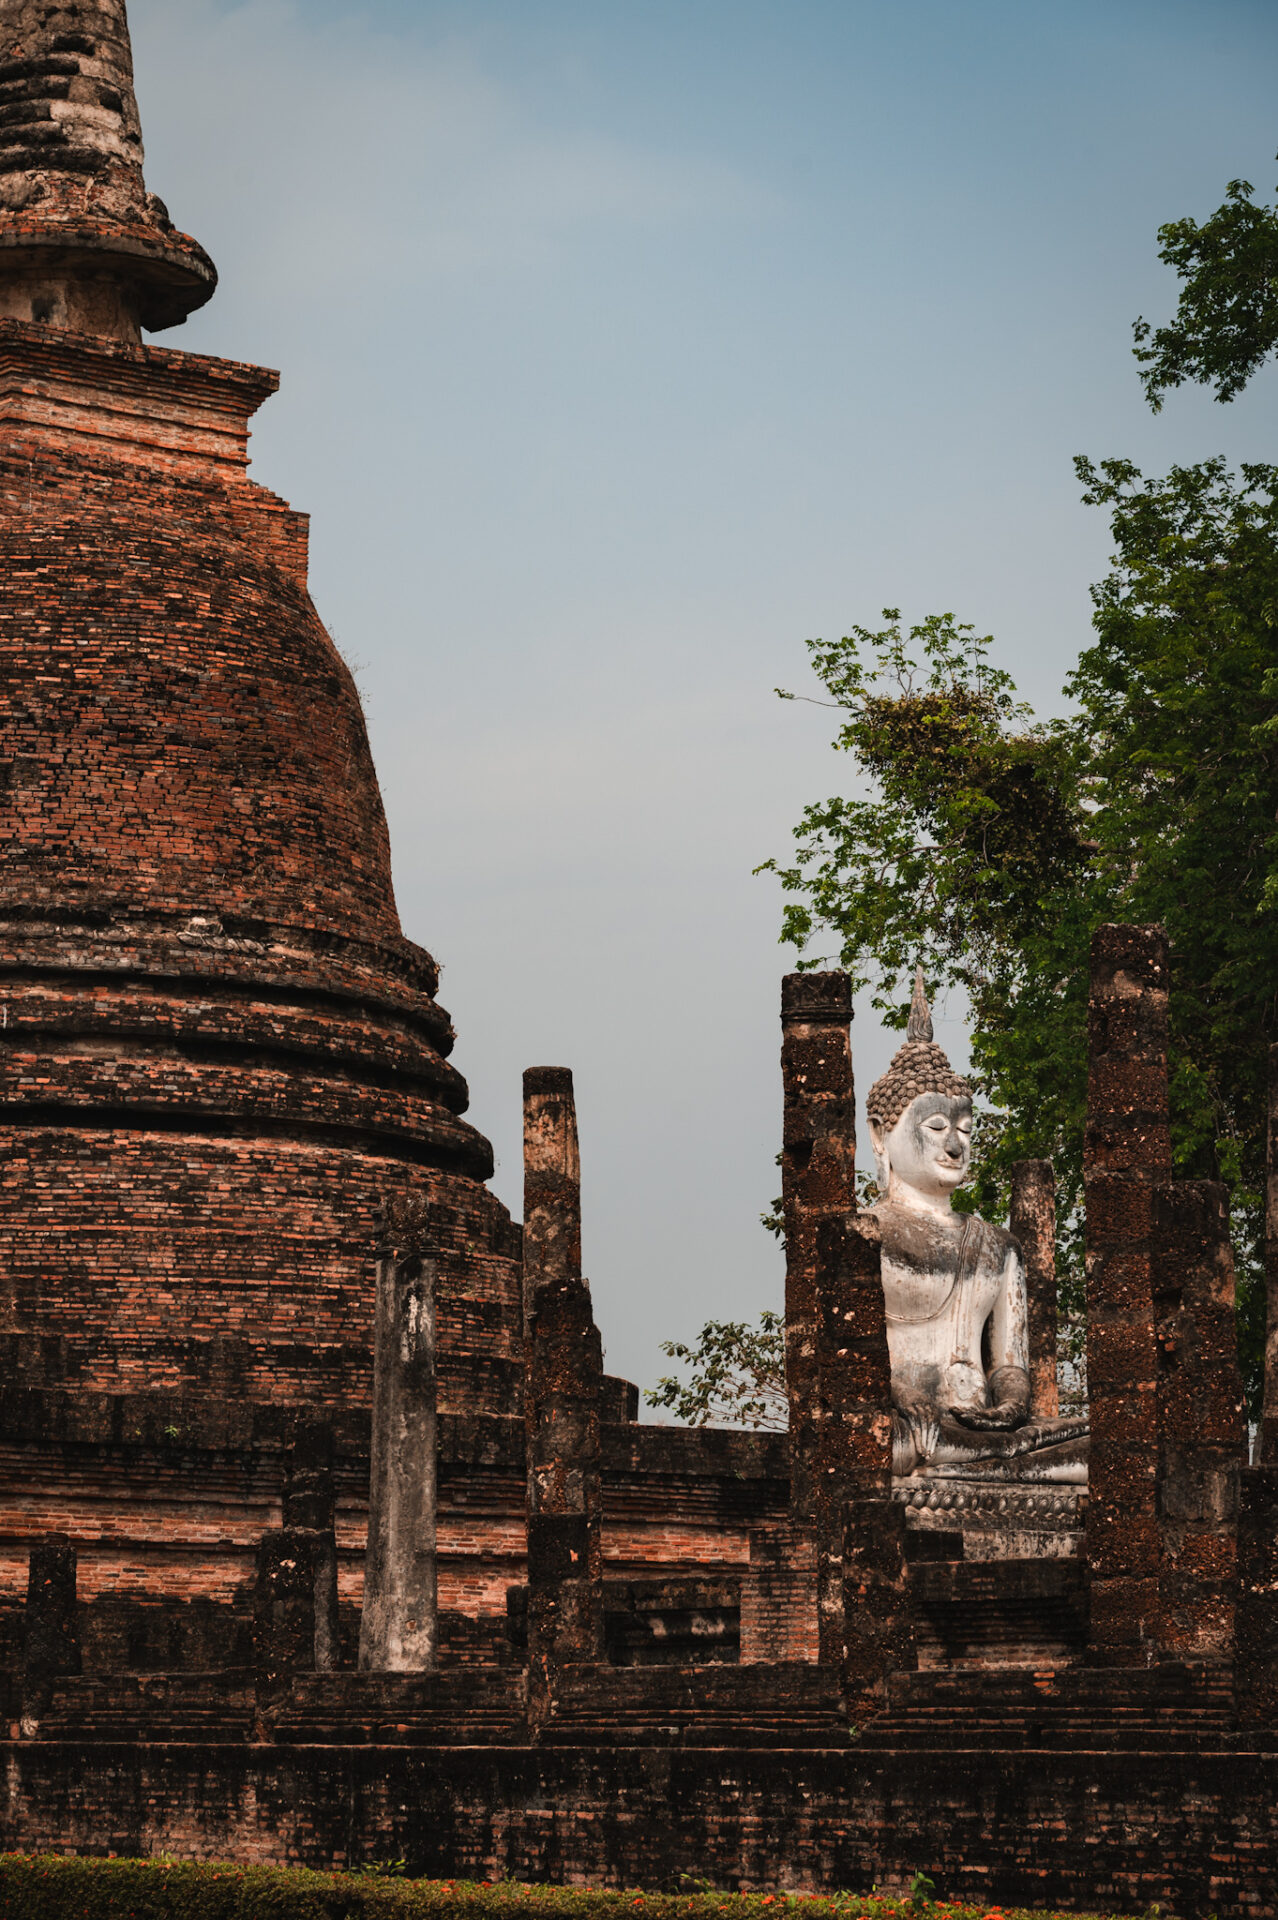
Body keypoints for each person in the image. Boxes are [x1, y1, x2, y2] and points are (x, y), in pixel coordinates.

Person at [866, 972, 1087, 1483]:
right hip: (910, 1426)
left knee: (1098, 1446)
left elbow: (1009, 1364)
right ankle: (978, 1463)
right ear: (881, 1137)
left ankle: (983, 1462)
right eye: (937, 1128)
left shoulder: (998, 1246)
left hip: (985, 1430)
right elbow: (848, 1355)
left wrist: (1010, 1406)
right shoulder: (865, 1234)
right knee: (889, 1442)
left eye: (964, 1130)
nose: (955, 1146)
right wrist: (903, 1395)